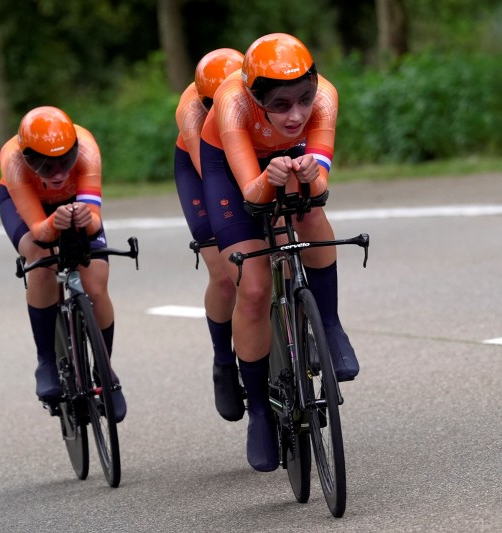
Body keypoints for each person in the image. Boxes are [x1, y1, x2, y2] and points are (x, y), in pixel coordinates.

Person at [199, 33, 360, 472]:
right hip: (233, 170)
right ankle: (260, 414)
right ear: (256, 97)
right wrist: (273, 177)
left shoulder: (325, 96)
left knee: (309, 217)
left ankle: (329, 323)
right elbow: (252, 192)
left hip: (282, 161)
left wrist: (311, 173)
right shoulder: (232, 104)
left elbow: (322, 186)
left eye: (303, 100)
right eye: (282, 104)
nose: (297, 114)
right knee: (251, 288)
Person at [0, 106, 126, 423]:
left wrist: (87, 220)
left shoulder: (87, 148)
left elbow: (94, 222)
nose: (56, 172)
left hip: (73, 202)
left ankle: (104, 367)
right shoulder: (12, 159)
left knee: (95, 285)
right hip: (30, 207)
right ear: (27, 157)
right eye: (43, 164)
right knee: (40, 259)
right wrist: (55, 224)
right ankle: (46, 361)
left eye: (63, 161)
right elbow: (41, 231)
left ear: (74, 150)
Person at [174, 48, 245, 422]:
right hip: (204, 169)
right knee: (224, 274)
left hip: (249, 153)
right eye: (210, 103)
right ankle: (223, 360)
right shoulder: (190, 110)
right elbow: (215, 173)